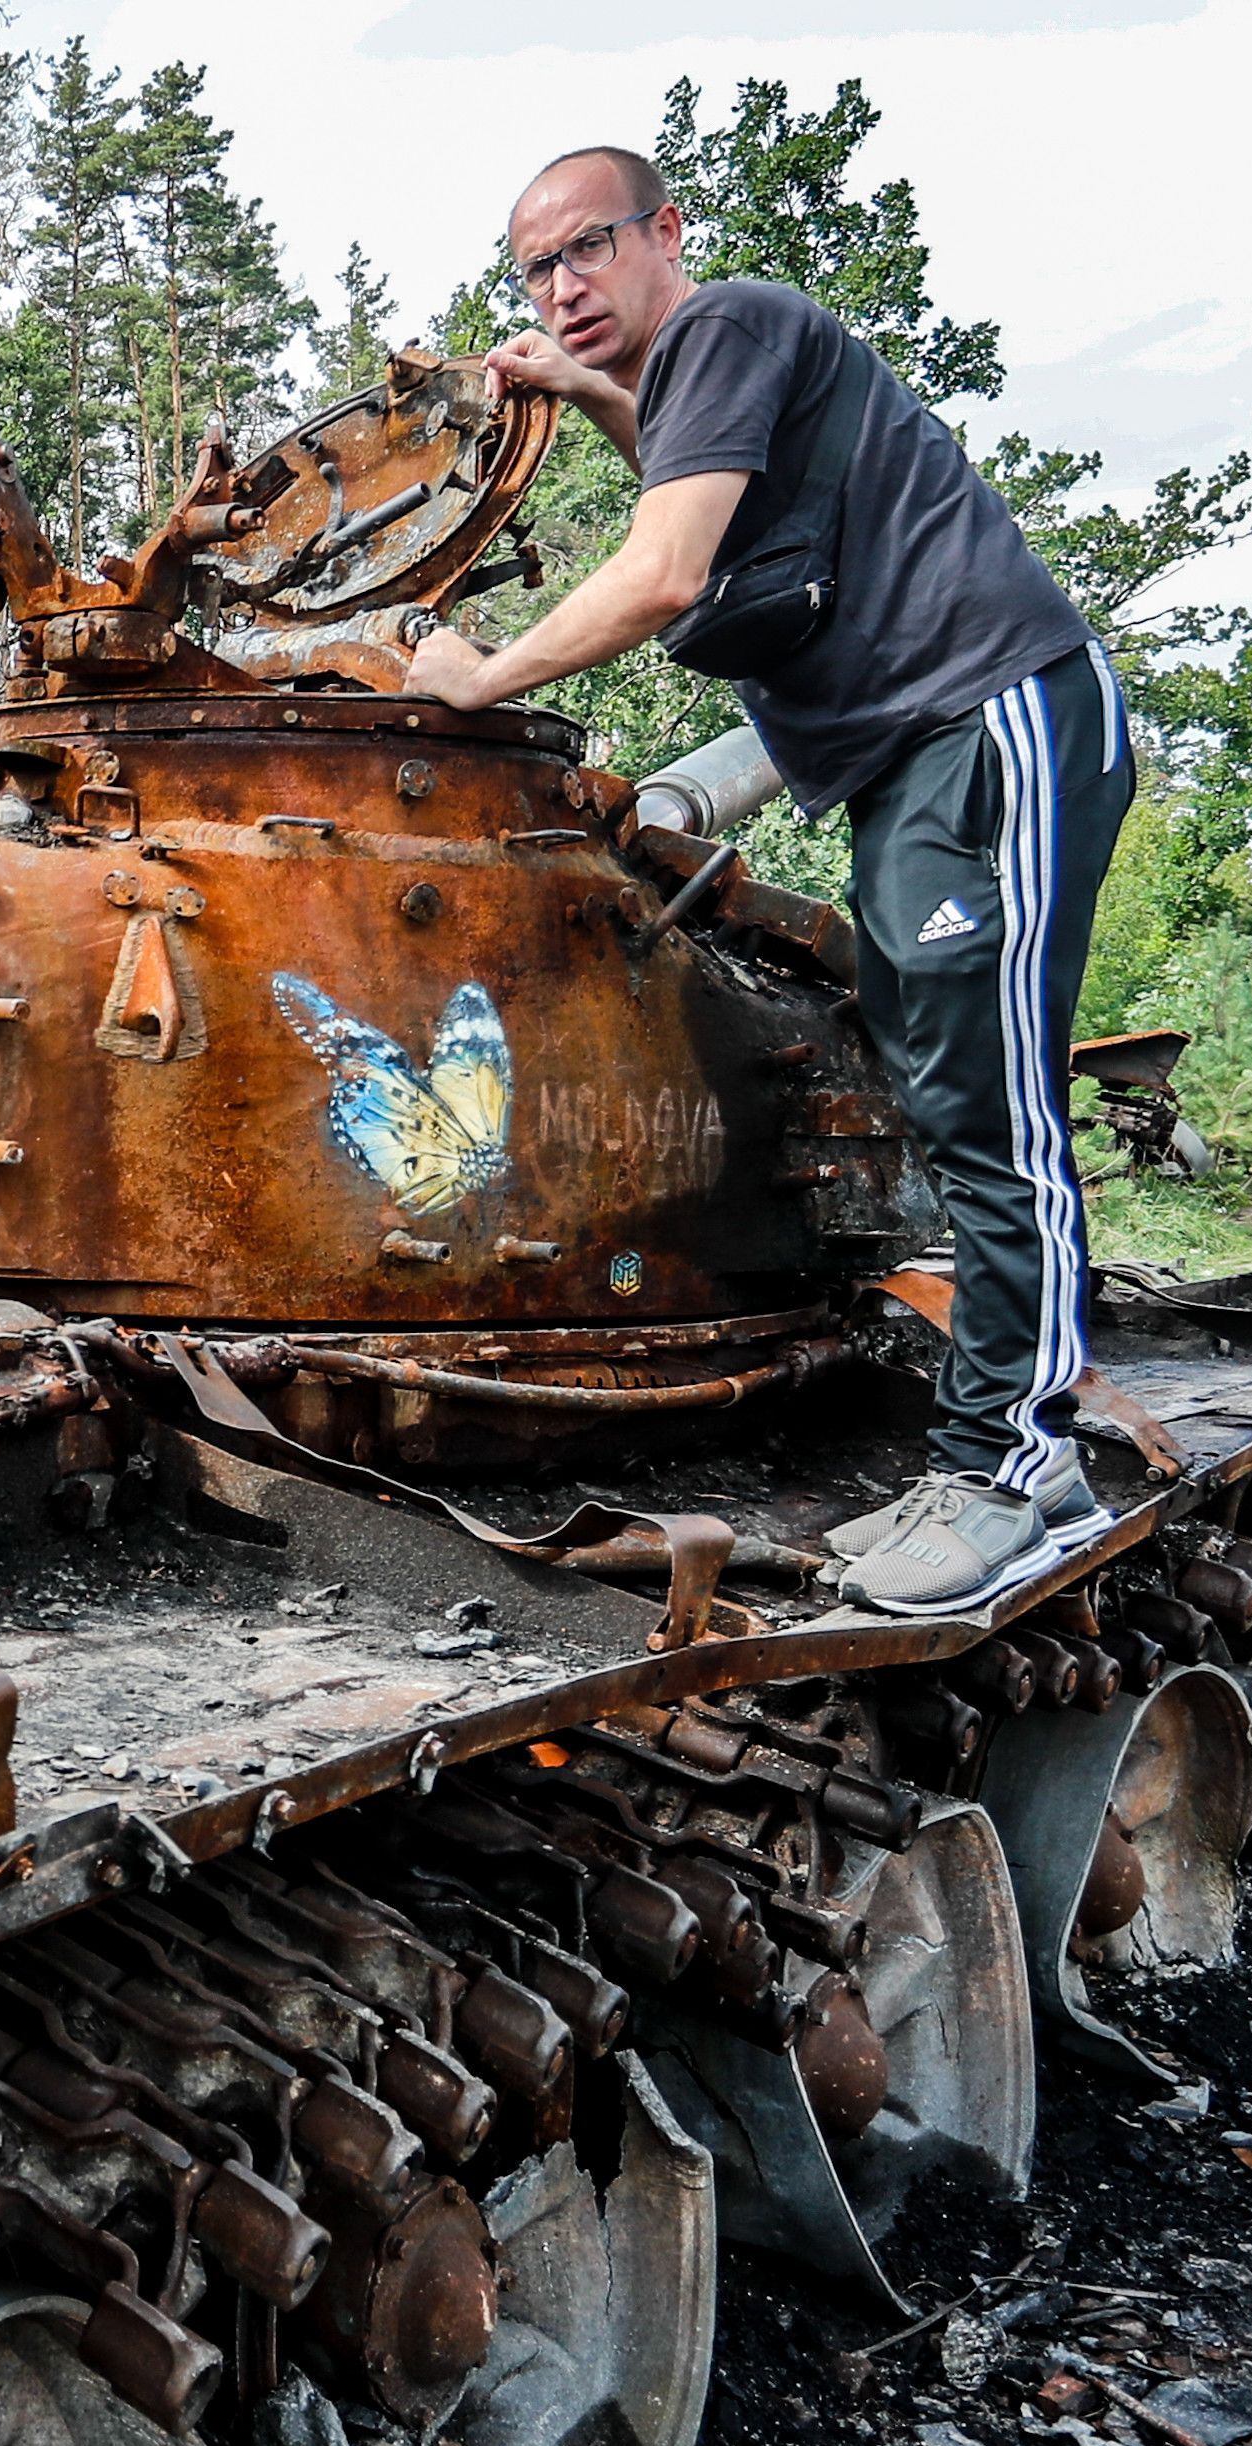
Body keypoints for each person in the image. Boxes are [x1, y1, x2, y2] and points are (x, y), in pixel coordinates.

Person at [403, 143, 1129, 1618]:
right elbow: (692, 488)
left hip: (989, 718)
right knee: (946, 1088)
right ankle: (975, 1456)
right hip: (913, 757)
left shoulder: (729, 319)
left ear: (664, 232)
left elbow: (668, 568)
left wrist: (482, 676)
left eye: (586, 249)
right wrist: (589, 397)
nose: (560, 286)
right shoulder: (701, 381)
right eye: (533, 270)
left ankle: (1022, 1472)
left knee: (993, 1103)